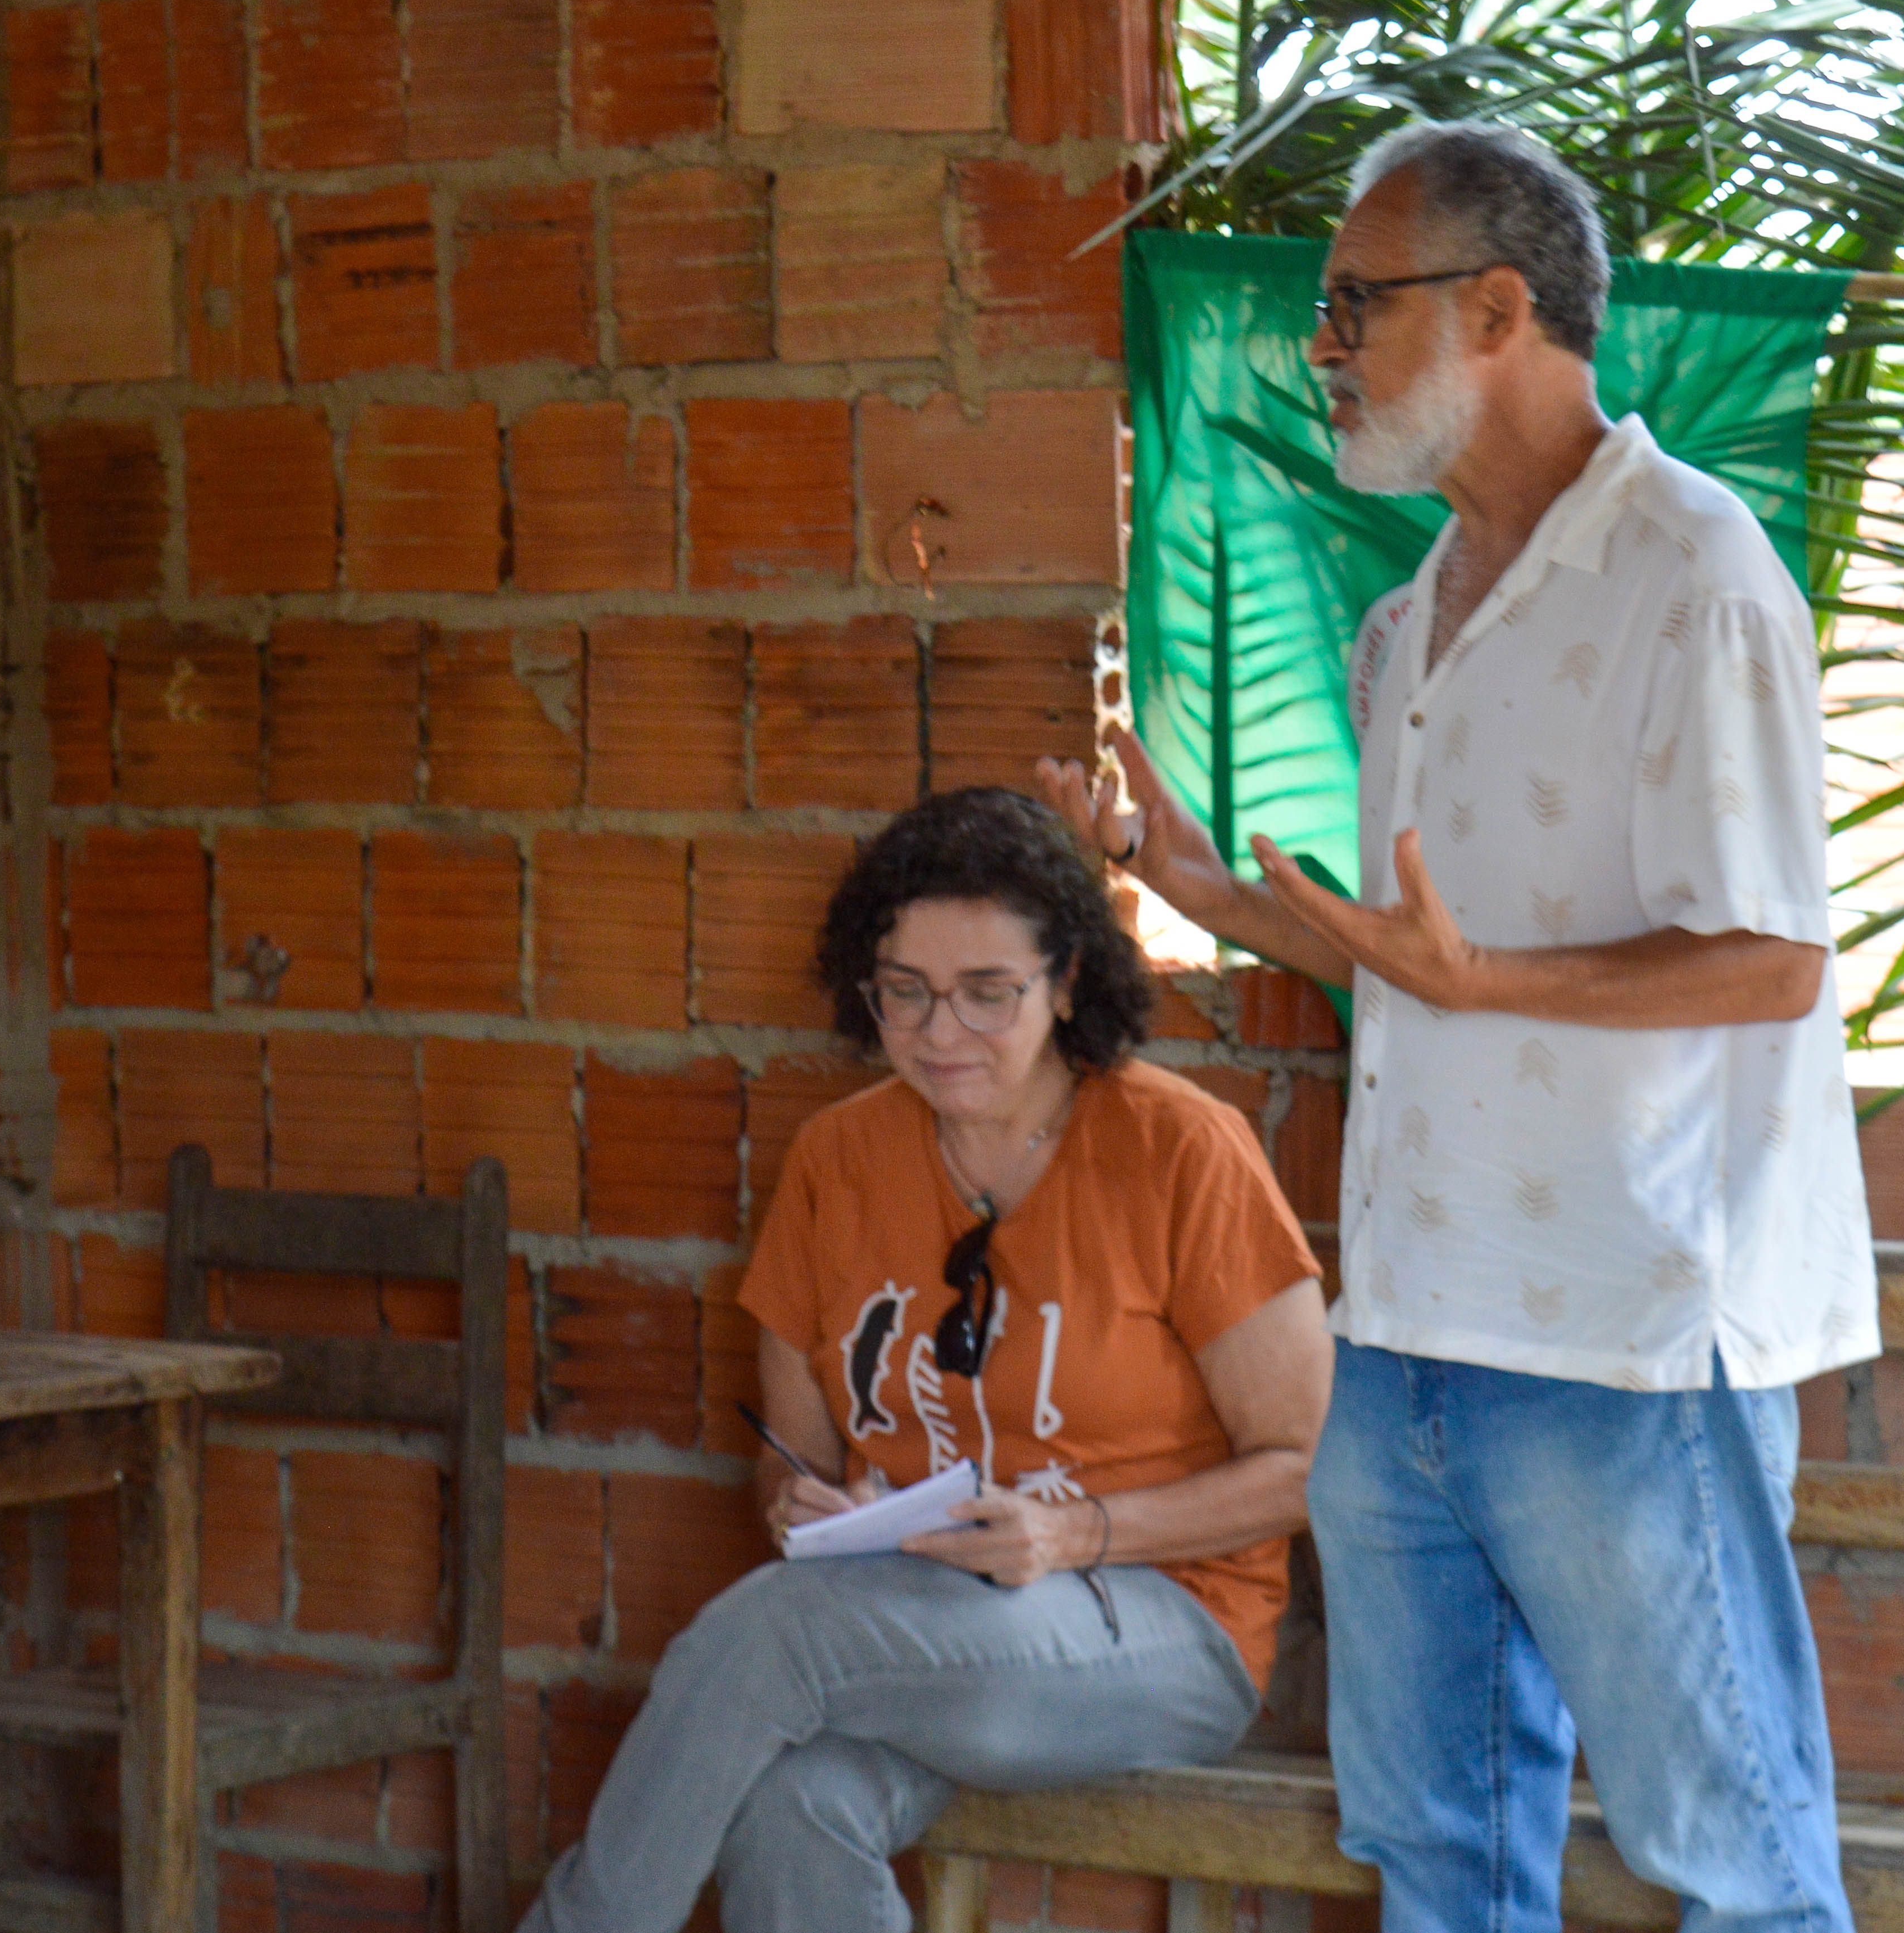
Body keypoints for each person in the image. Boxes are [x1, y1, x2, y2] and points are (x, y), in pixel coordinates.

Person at [1037, 121, 1874, 1933]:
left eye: (1354, 304)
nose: (1320, 346)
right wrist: (1194, 885)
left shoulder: (1694, 568)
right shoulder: (1407, 617)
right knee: (1440, 1865)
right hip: (1408, 1327)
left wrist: (1484, 981)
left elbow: (1770, 962)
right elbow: (1411, 958)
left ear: (1498, 311)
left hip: (1627, 1337)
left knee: (1735, 1873)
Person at [519, 786, 1331, 1933]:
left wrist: (1072, 1533)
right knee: (793, 1803)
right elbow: (790, 1459)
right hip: (922, 1614)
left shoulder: (1181, 1149)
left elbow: (1310, 1466)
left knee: (774, 1633)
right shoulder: (837, 1158)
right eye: (904, 991)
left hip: (1161, 1619)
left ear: (1067, 982)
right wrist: (809, 1503)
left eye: (987, 993)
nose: (940, 1032)